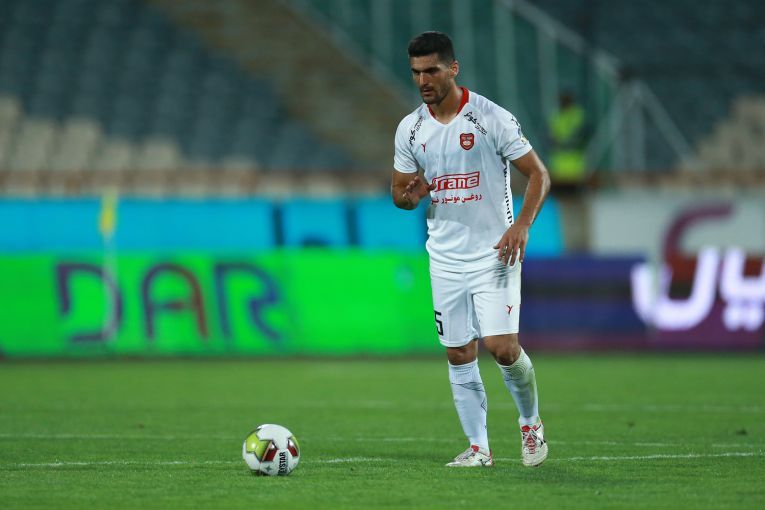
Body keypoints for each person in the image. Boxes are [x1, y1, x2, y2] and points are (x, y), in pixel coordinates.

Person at [391, 31, 551, 468]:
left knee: (502, 347)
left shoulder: (490, 118)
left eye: (431, 70)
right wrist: (411, 195)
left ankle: (530, 423)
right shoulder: (410, 128)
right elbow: (399, 194)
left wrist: (522, 225)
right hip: (444, 258)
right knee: (458, 352)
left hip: (494, 253)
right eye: (416, 72)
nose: (423, 80)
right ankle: (479, 448)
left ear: (453, 68)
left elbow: (539, 175)